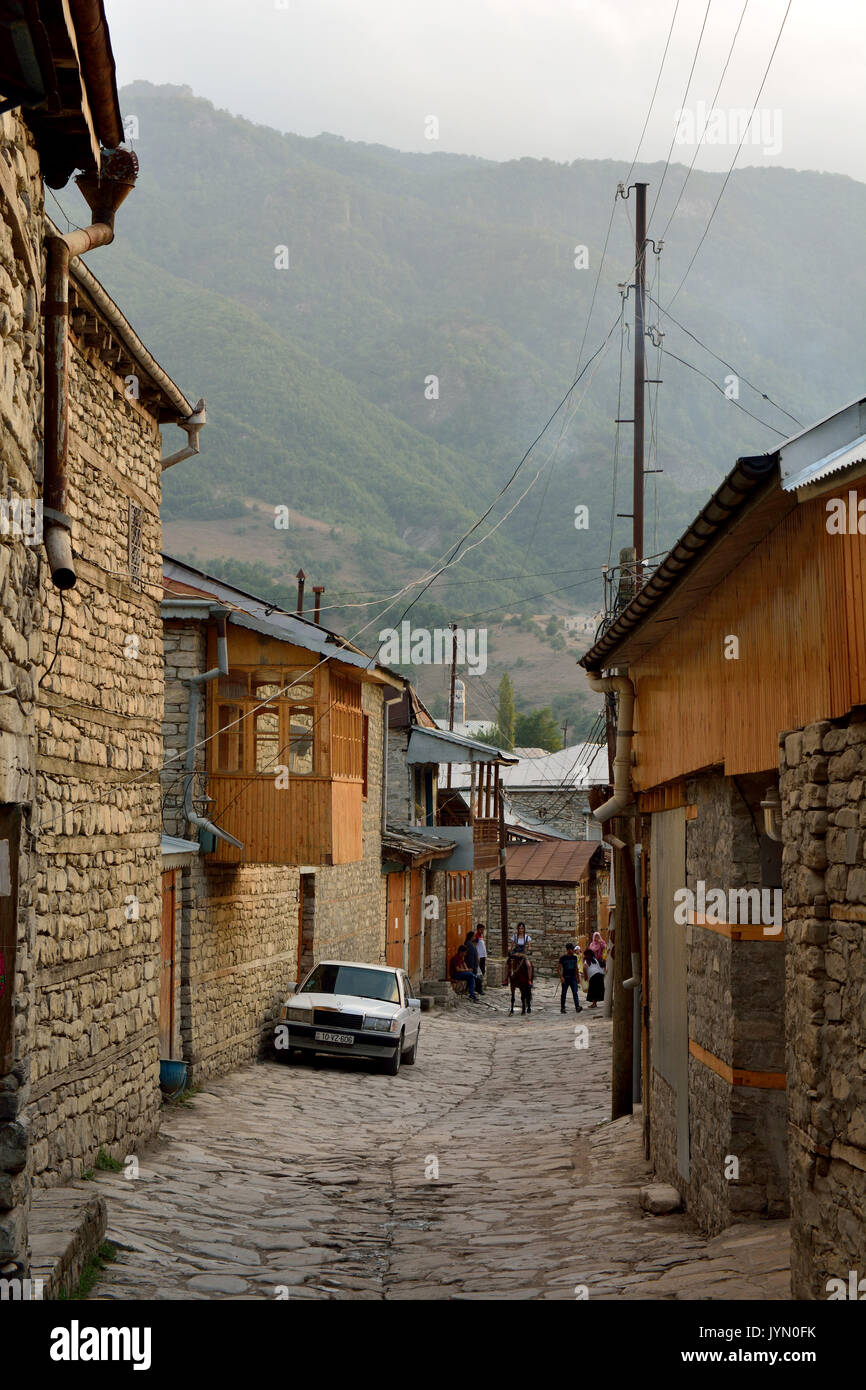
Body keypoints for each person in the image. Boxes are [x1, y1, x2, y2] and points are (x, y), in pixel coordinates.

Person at [558, 942, 583, 1014]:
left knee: (575, 993)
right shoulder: (563, 958)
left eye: (572, 949)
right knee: (564, 993)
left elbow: (576, 968)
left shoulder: (574, 957)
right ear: (568, 950)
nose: (572, 951)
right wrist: (561, 977)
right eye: (571, 949)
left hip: (573, 978)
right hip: (565, 978)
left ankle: (577, 1007)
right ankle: (562, 1008)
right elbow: (559, 969)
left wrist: (578, 978)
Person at [463, 929, 482, 995]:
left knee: (472, 978)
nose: (474, 937)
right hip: (472, 965)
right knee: (472, 978)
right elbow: (471, 956)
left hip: (473, 964)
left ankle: (469, 990)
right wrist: (472, 966)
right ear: (471, 937)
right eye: (473, 936)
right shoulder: (469, 945)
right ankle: (469, 990)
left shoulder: (470, 943)